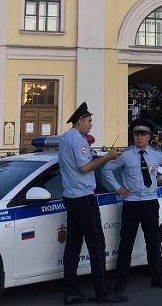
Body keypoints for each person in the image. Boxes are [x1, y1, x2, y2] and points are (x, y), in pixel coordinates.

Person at [58, 102, 127, 305]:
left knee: (73, 245)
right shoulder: (77, 139)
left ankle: (71, 291)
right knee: (97, 243)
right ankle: (102, 291)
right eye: (89, 121)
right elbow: (85, 167)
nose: (91, 125)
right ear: (79, 121)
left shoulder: (65, 138)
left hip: (71, 197)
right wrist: (108, 157)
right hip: (83, 198)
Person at [102, 118, 162, 294]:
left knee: (152, 242)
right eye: (136, 134)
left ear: (149, 137)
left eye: (143, 134)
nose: (139, 138)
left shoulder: (156, 154)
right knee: (126, 243)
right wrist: (118, 188)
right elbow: (107, 170)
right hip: (131, 204)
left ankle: (157, 278)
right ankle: (121, 281)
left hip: (150, 203)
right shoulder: (126, 155)